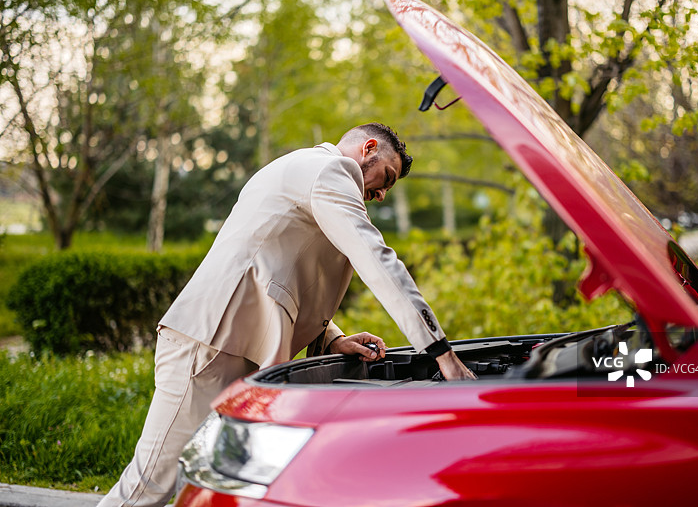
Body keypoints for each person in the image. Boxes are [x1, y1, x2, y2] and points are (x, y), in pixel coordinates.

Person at [98, 122, 476, 507]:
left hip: (232, 351)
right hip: (209, 348)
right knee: (149, 488)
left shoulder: (305, 168)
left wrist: (332, 338)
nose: (380, 194)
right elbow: (377, 262)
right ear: (368, 149)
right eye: (387, 177)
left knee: (221, 494)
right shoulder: (331, 171)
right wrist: (441, 353)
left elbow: (276, 270)